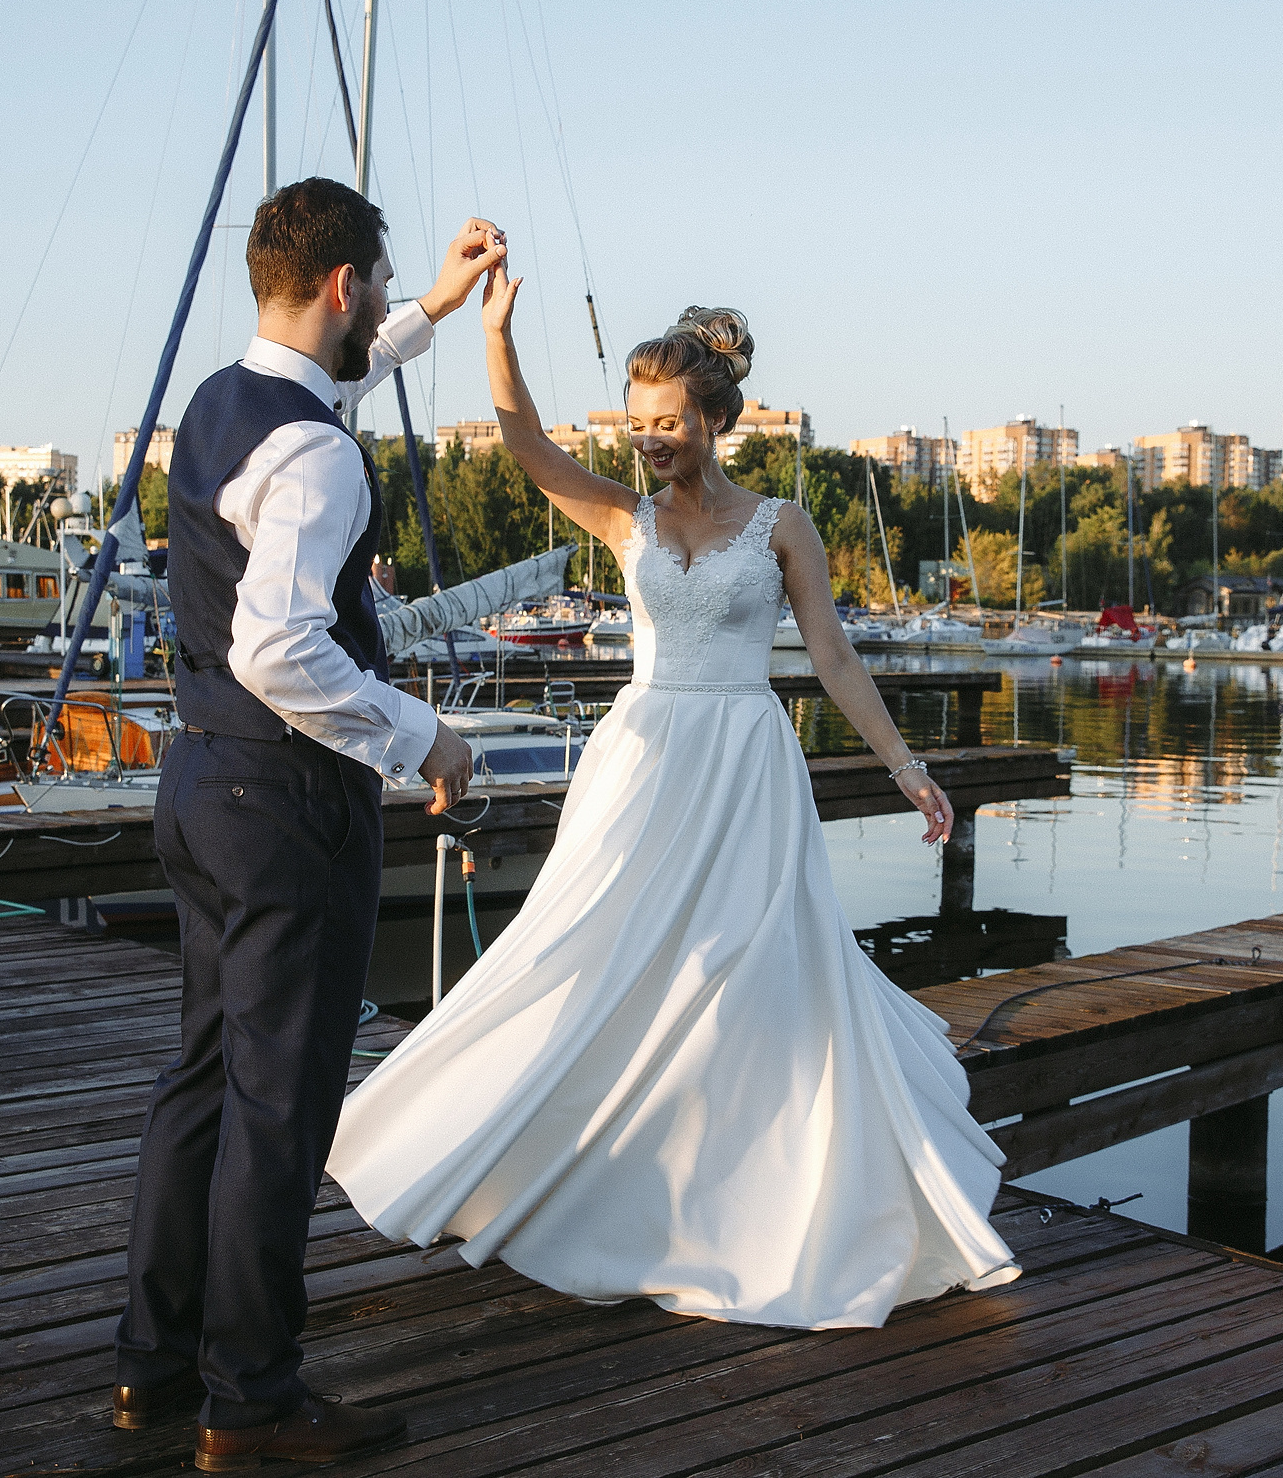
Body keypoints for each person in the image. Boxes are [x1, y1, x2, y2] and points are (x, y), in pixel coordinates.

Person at [328, 261, 1020, 1330]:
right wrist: (495, 331)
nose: (645, 439)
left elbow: (832, 657)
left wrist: (907, 768)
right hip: (642, 756)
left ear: (711, 418)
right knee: (597, 948)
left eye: (665, 421)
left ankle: (735, 1186)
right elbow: (524, 443)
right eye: (635, 421)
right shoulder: (623, 516)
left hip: (745, 757)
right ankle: (572, 1150)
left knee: (746, 965)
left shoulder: (782, 522)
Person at [111, 178, 499, 1467]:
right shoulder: (322, 454)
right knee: (277, 1111)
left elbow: (338, 372)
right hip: (284, 797)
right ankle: (252, 1400)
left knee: (202, 1088)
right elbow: (284, 647)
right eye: (381, 284)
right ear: (341, 284)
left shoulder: (222, 406)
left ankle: (155, 1369)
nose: (384, 303)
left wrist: (433, 305)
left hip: (197, 782)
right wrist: (418, 733)